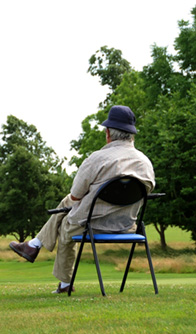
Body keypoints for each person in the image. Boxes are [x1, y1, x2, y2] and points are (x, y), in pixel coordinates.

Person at [9, 105, 155, 294]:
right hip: (127, 225)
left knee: (65, 222)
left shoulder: (97, 159)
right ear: (132, 135)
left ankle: (58, 275)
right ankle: (34, 246)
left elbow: (76, 195)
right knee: (68, 208)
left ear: (108, 133)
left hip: (91, 225)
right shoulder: (145, 163)